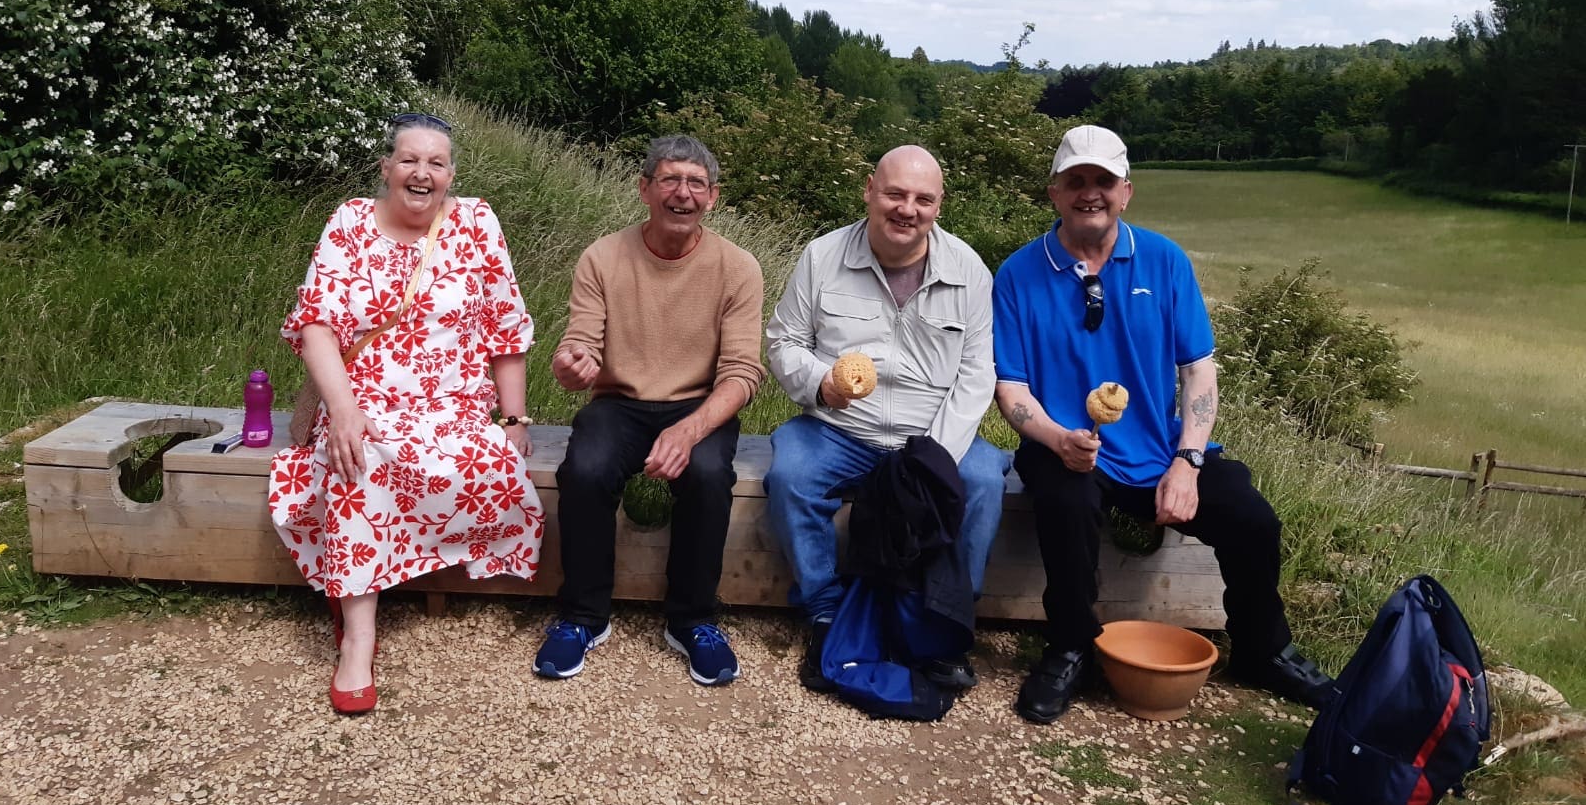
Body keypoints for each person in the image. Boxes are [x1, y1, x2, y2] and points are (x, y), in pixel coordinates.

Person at [992, 124, 1335, 724]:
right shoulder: (1018, 274)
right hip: (1066, 446)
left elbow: (1199, 373)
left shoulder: (1165, 261)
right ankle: (1072, 644)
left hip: (1158, 449)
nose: (1089, 193)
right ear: (1054, 191)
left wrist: (1188, 461)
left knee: (1252, 518)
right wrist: (1055, 437)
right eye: (1076, 181)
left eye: (1103, 181)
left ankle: (1263, 648)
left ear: (1127, 191)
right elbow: (1012, 387)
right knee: (1063, 499)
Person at [270, 112, 546, 715]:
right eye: (410, 160)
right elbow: (316, 324)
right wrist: (341, 410)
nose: (422, 173)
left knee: (486, 462)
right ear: (387, 168)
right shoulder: (349, 222)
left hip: (453, 403)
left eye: (436, 163)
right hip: (362, 398)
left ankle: (426, 571)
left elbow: (505, 325)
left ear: (450, 174)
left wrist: (515, 418)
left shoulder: (476, 224)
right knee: (357, 456)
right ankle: (359, 636)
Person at [765, 145, 1008, 690]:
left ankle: (945, 618)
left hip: (932, 431)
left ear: (939, 205)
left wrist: (937, 453)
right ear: (870, 190)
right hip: (840, 427)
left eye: (923, 199)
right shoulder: (822, 256)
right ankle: (825, 613)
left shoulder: (968, 269)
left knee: (983, 482)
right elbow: (784, 342)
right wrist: (820, 384)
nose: (907, 209)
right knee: (790, 477)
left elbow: (977, 372)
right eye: (895, 193)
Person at [534, 136, 765, 686]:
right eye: (669, 180)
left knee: (709, 473)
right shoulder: (604, 256)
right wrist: (573, 364)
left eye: (694, 183)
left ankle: (692, 620)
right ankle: (584, 616)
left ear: (712, 196)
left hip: (699, 402)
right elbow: (580, 343)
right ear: (645, 189)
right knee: (584, 468)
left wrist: (689, 430)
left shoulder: (739, 268)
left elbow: (742, 372)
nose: (681, 193)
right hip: (620, 402)